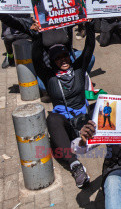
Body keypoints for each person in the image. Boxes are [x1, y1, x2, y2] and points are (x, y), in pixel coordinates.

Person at [32, 21, 95, 188]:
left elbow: (89, 47)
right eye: (57, 58)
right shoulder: (49, 76)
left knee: (109, 104)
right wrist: (38, 37)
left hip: (85, 120)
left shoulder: (79, 69)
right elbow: (36, 59)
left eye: (65, 56)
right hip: (66, 125)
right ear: (52, 62)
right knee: (52, 119)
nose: (63, 60)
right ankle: (75, 166)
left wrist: (89, 25)